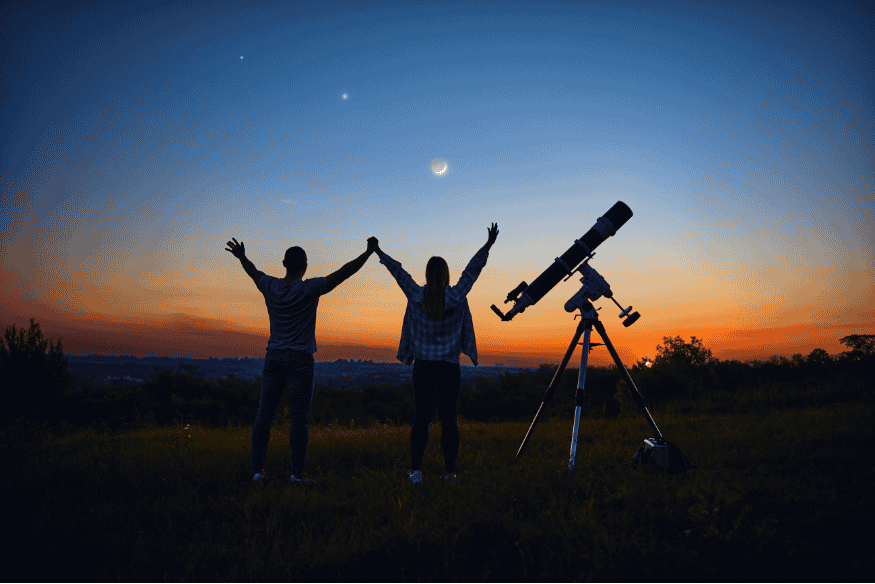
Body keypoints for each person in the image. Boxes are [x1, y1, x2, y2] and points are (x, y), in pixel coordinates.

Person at [225, 236, 377, 483]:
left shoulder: (270, 286)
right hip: (300, 360)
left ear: (284, 263)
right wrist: (368, 253)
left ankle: (256, 471)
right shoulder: (309, 289)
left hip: (274, 357)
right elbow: (344, 273)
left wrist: (242, 256)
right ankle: (296, 473)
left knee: (265, 414)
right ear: (305, 266)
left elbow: (254, 272)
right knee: (299, 418)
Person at [371, 223, 498, 485]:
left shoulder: (416, 295)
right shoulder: (456, 296)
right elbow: (472, 272)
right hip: (449, 367)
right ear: (446, 275)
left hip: (424, 367)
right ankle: (450, 472)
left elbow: (399, 273)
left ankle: (415, 470)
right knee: (448, 420)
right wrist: (487, 246)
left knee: (421, 418)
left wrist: (379, 252)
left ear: (428, 274)